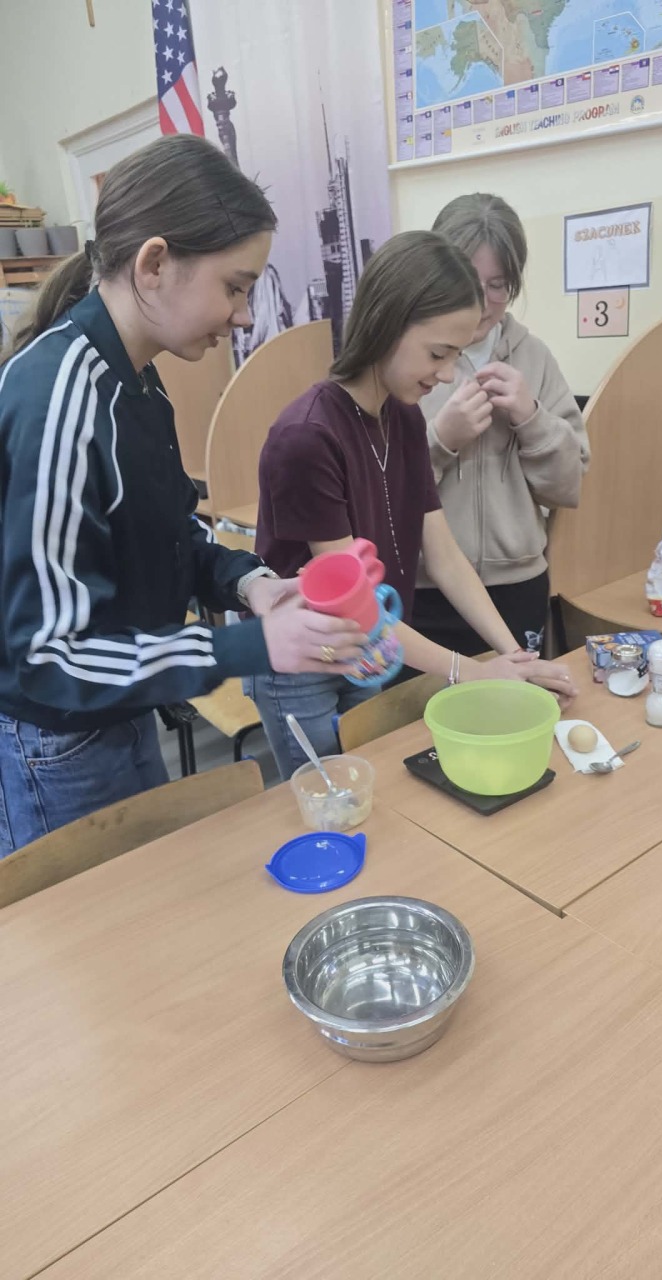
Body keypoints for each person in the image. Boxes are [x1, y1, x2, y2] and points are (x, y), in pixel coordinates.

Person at [0, 135, 364, 856]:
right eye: (235, 286)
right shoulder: (60, 400)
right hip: (60, 740)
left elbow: (174, 531)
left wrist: (252, 584)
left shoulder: (138, 379)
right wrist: (250, 645)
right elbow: (49, 657)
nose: (243, 315)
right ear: (154, 264)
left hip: (126, 701)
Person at [247, 230, 577, 779]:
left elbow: (444, 556)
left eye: (456, 355)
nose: (446, 374)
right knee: (331, 798)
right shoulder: (307, 437)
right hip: (304, 660)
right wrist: (472, 672)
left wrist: (515, 657)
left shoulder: (401, 417)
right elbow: (354, 603)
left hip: (368, 647)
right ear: (388, 323)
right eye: (438, 353)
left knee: (377, 787)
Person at [414, 193, 590, 656]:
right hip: (423, 587)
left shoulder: (534, 357)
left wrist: (532, 418)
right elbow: (376, 489)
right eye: (467, 282)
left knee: (517, 697)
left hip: (517, 585)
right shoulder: (408, 356)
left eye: (499, 285)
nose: (482, 302)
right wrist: (440, 441)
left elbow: (567, 487)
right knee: (423, 705)